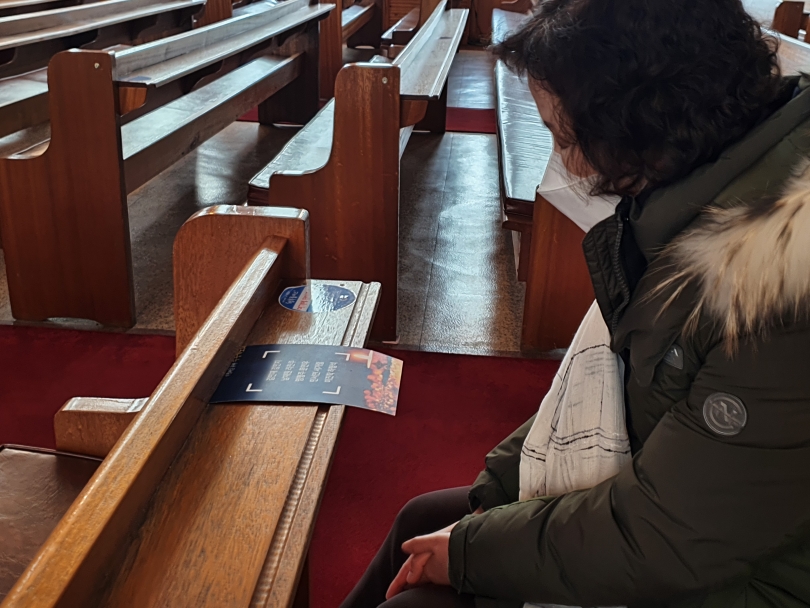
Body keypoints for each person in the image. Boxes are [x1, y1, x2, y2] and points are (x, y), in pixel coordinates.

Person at [341, 0, 810, 605]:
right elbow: (607, 385)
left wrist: (469, 553)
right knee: (424, 519)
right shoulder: (692, 194)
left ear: (638, 125)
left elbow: (672, 538)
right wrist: (497, 489)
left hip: (752, 574)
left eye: (562, 136)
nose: (563, 161)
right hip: (686, 508)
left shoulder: (778, 291)